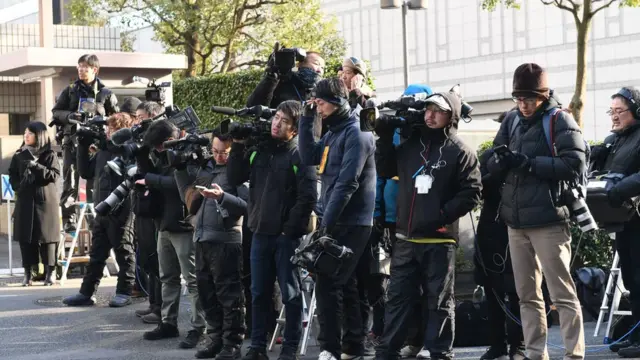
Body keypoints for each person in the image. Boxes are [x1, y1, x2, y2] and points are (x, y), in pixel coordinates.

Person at [487, 63, 587, 360]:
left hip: (549, 220)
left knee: (562, 293)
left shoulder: (560, 120)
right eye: (518, 99)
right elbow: (492, 157)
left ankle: (574, 354)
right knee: (526, 295)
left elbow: (575, 165)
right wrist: (499, 161)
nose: (523, 105)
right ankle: (534, 353)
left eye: (529, 99)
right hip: (515, 222)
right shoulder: (512, 121)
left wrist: (529, 163)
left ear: (543, 96)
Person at [374, 90, 482, 360]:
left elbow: (473, 192)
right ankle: (387, 351)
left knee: (440, 302)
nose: (431, 115)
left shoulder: (460, 151)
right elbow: (385, 169)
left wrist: (440, 215)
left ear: (451, 116)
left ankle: (439, 353)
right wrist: (384, 137)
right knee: (397, 300)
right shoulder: (410, 146)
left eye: (439, 110)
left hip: (438, 240)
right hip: (406, 239)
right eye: (428, 109)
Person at [226, 100, 317, 360]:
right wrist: (239, 145)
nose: (277, 123)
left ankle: (289, 348)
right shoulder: (261, 149)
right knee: (258, 292)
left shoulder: (300, 154)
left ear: (296, 129)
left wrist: (289, 231)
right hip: (258, 232)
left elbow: (308, 196)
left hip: (285, 237)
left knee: (290, 293)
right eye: (276, 117)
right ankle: (257, 346)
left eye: (284, 121)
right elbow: (234, 178)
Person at [298, 77, 376, 360]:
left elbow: (347, 183)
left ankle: (331, 347)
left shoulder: (357, 133)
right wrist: (306, 120)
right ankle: (351, 345)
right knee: (347, 283)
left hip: (352, 220)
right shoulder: (334, 133)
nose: (317, 108)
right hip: (336, 217)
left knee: (328, 281)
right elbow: (308, 156)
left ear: (337, 102)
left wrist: (325, 226)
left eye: (320, 103)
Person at [175, 132, 248, 360]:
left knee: (229, 296)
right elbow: (184, 193)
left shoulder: (238, 171)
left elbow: (248, 205)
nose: (218, 156)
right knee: (208, 294)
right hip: (203, 239)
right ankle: (215, 338)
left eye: (223, 152)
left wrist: (222, 197)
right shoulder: (206, 168)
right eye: (214, 151)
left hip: (227, 241)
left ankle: (232, 344)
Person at [139, 119, 207, 350]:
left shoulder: (189, 151)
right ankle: (168, 322)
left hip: (183, 224)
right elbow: (149, 172)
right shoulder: (160, 153)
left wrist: (152, 179)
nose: (158, 151)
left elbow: (186, 186)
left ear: (169, 140)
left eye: (159, 146)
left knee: (193, 280)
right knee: (167, 276)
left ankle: (199, 326)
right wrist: (142, 154)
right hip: (164, 224)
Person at [62, 112, 136, 307]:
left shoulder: (127, 151)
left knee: (124, 252)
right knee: (97, 254)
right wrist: (83, 145)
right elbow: (85, 172)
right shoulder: (103, 150)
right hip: (101, 208)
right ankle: (86, 293)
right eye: (108, 128)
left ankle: (124, 291)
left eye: (113, 129)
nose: (108, 132)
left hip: (122, 208)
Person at [589, 87, 640, 358]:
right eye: (612, 111)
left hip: (637, 216)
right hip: (623, 220)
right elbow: (604, 175)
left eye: (620, 111)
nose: (614, 116)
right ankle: (635, 335)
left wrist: (621, 188)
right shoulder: (614, 139)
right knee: (632, 279)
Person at [50, 54, 118, 233]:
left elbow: (118, 119)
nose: (81, 70)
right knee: (70, 179)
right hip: (72, 140)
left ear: (95, 69)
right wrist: (70, 117)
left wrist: (101, 120)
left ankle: (96, 219)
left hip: (96, 144)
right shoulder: (70, 90)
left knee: (95, 180)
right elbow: (56, 112)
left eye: (85, 67)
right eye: (79, 67)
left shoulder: (106, 93)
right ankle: (69, 219)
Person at [474, 144, 526, 360]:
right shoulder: (489, 156)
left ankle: (519, 345)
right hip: (490, 226)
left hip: (517, 225)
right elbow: (478, 186)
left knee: (517, 290)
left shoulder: (524, 155)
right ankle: (497, 344)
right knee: (492, 290)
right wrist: (495, 169)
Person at [9, 121, 61, 287]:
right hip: (25, 201)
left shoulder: (49, 155)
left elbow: (53, 175)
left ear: (39, 135)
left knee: (48, 239)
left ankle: (50, 272)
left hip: (46, 202)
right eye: (25, 132)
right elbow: (12, 176)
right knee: (26, 238)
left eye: (30, 133)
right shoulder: (19, 155)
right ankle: (27, 273)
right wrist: (19, 186)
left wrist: (36, 166)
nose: (26, 135)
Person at [132, 101, 166, 324]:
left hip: (160, 211)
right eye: (135, 117)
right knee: (148, 257)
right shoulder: (142, 143)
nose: (137, 122)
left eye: (141, 117)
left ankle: (161, 309)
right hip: (144, 208)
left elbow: (156, 173)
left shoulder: (161, 144)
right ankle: (153, 304)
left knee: (158, 261)